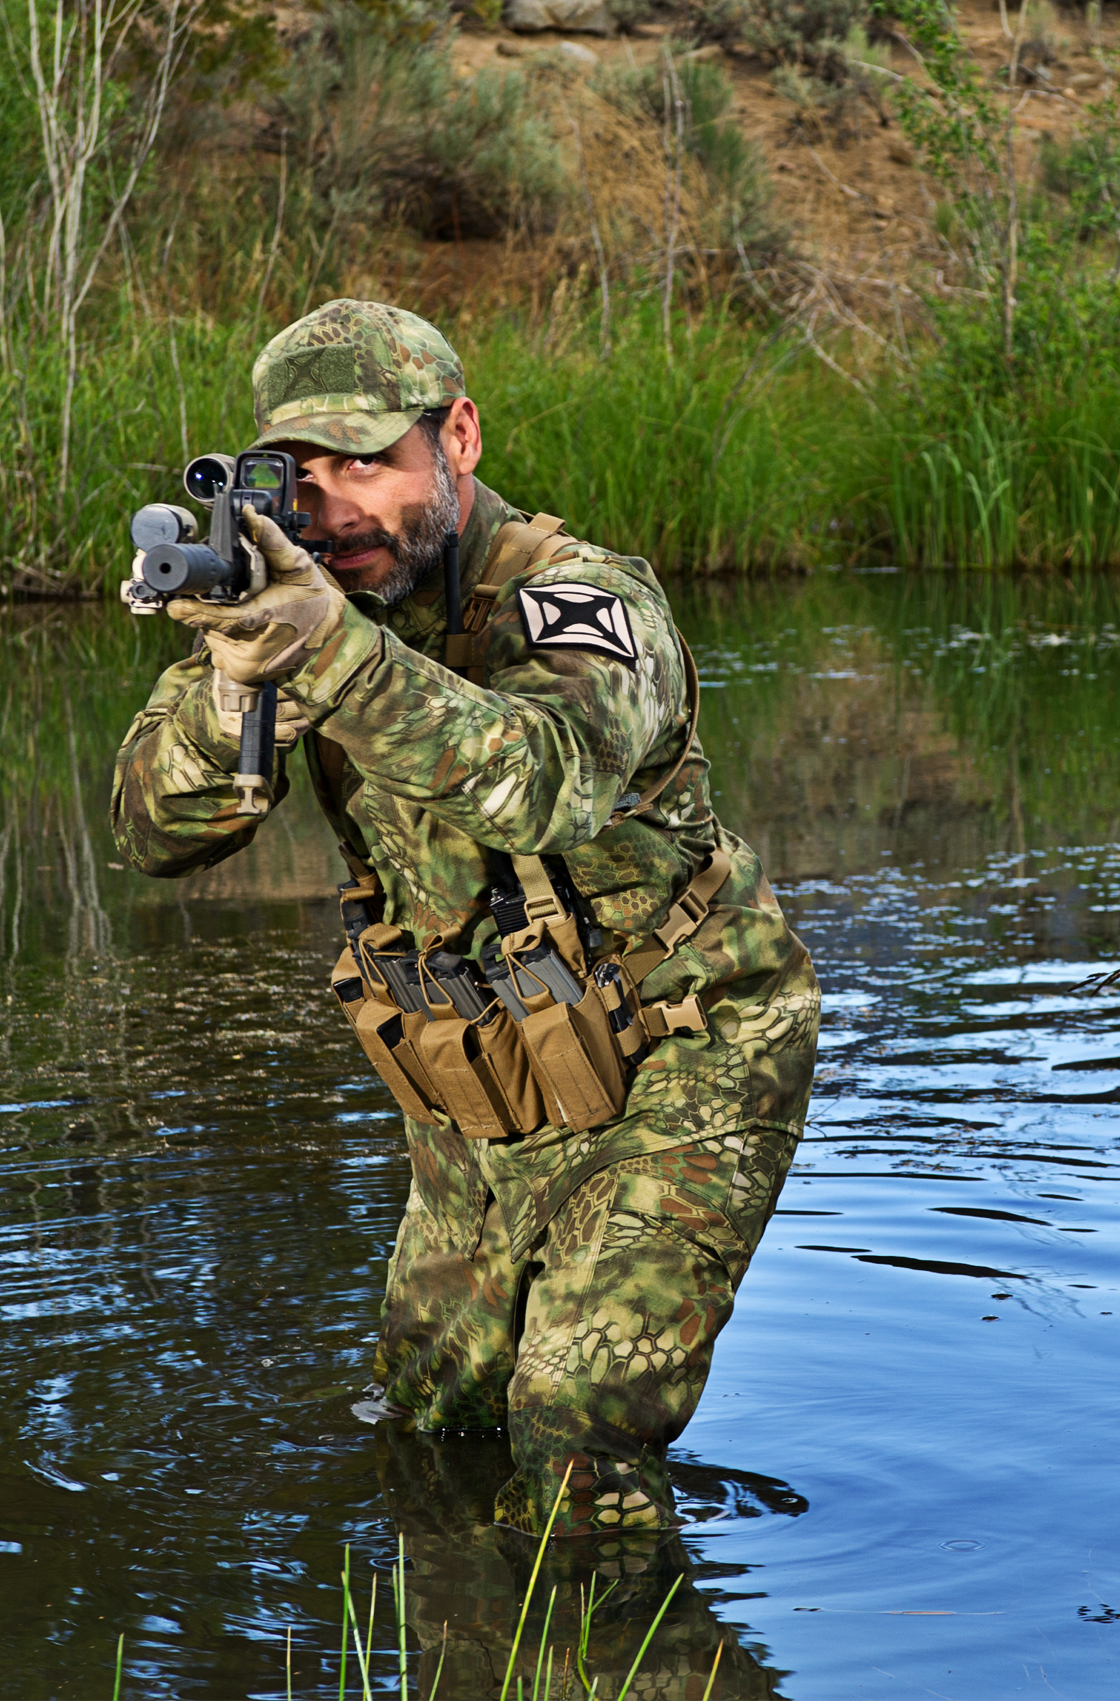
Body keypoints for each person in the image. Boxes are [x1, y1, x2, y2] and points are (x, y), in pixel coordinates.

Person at [111, 298, 818, 1537]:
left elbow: (544, 782)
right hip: (478, 1074)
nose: (335, 505)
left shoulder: (582, 597)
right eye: (303, 471)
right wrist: (232, 689)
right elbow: (155, 837)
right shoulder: (303, 600)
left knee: (576, 1429)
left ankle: (627, 1657)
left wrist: (328, 657)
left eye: (370, 462)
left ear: (460, 439)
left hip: (681, 1051)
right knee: (434, 1420)